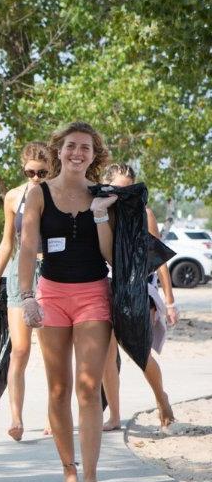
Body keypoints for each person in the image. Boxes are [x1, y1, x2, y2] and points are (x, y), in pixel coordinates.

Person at [18, 121, 117, 482]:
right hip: (52, 294)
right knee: (58, 388)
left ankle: (91, 478)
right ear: (58, 150)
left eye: (86, 148)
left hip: (94, 293)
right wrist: (27, 297)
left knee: (89, 387)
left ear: (94, 156)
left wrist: (100, 214)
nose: (77, 153)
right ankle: (69, 471)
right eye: (71, 146)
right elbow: (28, 248)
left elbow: (109, 256)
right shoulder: (39, 193)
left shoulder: (102, 194)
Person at [100, 163, 178, 430]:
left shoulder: (144, 213)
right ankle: (114, 416)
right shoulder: (98, 211)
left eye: (129, 188)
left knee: (139, 351)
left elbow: (159, 259)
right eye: (118, 189)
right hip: (105, 287)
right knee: (107, 356)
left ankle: (161, 397)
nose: (124, 194)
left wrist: (169, 301)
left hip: (139, 291)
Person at [0, 142, 51, 441]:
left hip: (52, 271)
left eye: (42, 172)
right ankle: (16, 417)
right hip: (19, 272)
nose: (36, 178)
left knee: (53, 351)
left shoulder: (56, 194)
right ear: (23, 168)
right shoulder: (13, 196)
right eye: (30, 172)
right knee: (20, 350)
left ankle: (55, 414)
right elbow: (7, 242)